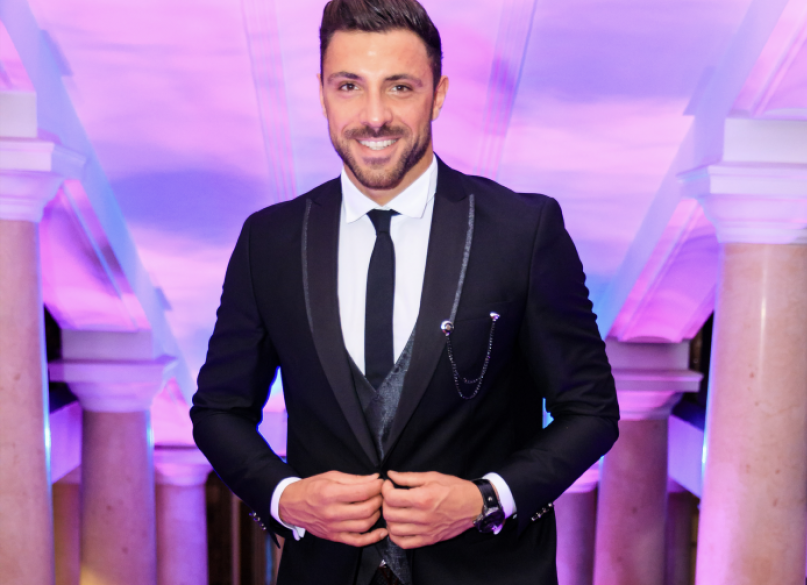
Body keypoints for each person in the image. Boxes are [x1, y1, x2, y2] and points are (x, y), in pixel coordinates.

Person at [190, 0, 619, 583]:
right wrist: (286, 497)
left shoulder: (524, 231)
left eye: (399, 87)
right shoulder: (268, 240)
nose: (374, 117)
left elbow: (591, 411)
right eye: (349, 86)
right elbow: (218, 410)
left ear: (437, 95)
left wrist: (487, 499)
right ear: (322, 94)